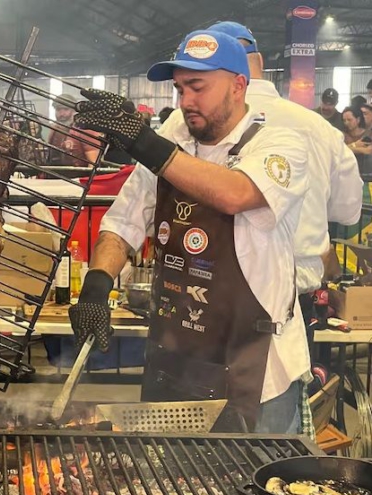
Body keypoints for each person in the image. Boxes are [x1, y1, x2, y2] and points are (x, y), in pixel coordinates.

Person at [69, 29, 310, 434]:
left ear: (238, 85)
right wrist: (96, 287)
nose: (185, 102)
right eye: (180, 89)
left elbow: (236, 193)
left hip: (255, 370)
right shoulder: (174, 140)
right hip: (173, 357)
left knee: (252, 489)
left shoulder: (279, 144)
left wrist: (142, 141)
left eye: (197, 88)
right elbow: (123, 222)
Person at [201, 21, 362, 327]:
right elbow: (348, 211)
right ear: (259, 62)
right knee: (295, 374)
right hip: (298, 293)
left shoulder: (187, 126)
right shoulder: (318, 128)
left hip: (211, 290)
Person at [47, 93, 100, 167]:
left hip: (77, 176)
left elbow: (93, 163)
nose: (62, 114)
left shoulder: (85, 129)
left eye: (66, 109)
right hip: (55, 175)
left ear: (74, 110)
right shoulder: (54, 130)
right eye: (58, 109)